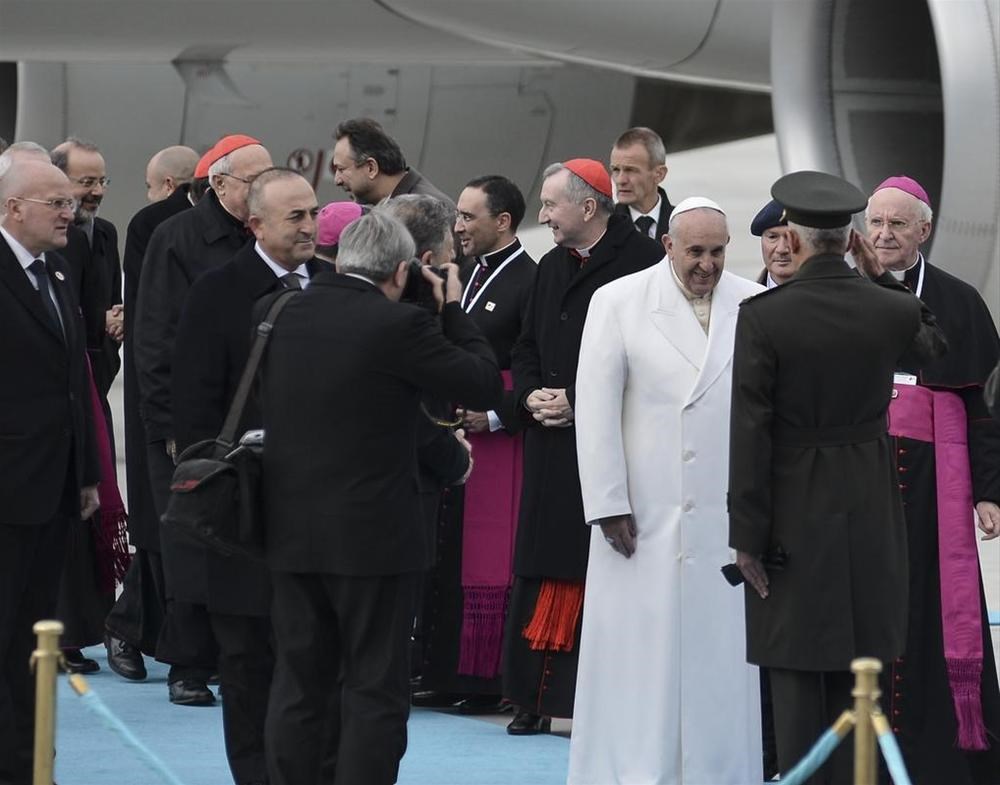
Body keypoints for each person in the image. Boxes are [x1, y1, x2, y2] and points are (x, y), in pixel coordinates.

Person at [259, 210, 502, 785]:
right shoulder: (398, 326)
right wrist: (450, 308)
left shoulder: (278, 312)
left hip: (290, 531)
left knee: (298, 682)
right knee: (374, 686)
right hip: (375, 540)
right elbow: (483, 381)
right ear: (400, 271)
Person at [728, 170, 948, 785]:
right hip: (870, 498)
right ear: (852, 238)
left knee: (798, 666)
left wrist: (746, 536)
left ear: (794, 238)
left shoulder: (765, 315)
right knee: (864, 661)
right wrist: (880, 278)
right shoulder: (889, 308)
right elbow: (934, 346)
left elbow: (751, 431)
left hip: (793, 505)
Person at [571, 197, 763, 784]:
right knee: (639, 661)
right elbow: (596, 410)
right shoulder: (618, 301)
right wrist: (608, 503)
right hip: (642, 515)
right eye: (696, 251)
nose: (708, 264)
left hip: (725, 515)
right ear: (668, 246)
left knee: (719, 659)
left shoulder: (754, 303)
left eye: (718, 251)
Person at [173, 167, 331, 784]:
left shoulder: (332, 286)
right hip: (241, 509)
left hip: (318, 512)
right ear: (256, 224)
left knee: (312, 657)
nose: (310, 226)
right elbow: (194, 404)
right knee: (245, 659)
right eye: (296, 217)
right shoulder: (216, 292)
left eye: (314, 212)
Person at [504, 159, 663, 734]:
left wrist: (578, 399)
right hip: (549, 440)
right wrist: (529, 396)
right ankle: (529, 695)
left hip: (606, 442)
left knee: (590, 566)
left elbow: (652, 358)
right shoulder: (550, 265)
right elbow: (525, 345)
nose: (543, 215)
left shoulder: (643, 262)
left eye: (551, 205)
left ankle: (581, 698)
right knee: (540, 563)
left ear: (588, 206)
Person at [864, 175, 1000, 784]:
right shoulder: (844, 294)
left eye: (897, 224)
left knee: (931, 607)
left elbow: (984, 408)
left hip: (934, 488)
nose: (884, 234)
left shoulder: (960, 300)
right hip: (860, 482)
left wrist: (991, 490)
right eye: (875, 222)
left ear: (924, 230)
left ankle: (940, 754)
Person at [134, 133, 273, 706]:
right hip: (193, 420)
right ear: (218, 183)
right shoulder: (178, 238)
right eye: (254, 180)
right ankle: (186, 665)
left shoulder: (262, 235)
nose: (264, 189)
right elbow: (155, 336)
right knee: (190, 541)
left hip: (255, 418)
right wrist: (169, 425)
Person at [415, 175, 537, 714]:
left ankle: (484, 678)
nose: (458, 226)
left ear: (503, 222)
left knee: (485, 561)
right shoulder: (458, 273)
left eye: (468, 216)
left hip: (497, 439)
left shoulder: (530, 279)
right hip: (449, 432)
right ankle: (441, 669)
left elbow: (533, 365)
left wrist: (494, 414)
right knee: (446, 553)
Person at [0, 156, 100, 785]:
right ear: (14, 209)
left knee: (34, 638)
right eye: (57, 203)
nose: (71, 212)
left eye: (71, 202)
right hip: (7, 487)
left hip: (53, 487)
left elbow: (72, 384)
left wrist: (85, 472)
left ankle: (29, 762)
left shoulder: (58, 271)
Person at [103, 144, 201, 682]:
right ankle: (134, 625)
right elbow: (151, 317)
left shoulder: (159, 223)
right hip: (162, 398)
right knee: (166, 524)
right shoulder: (159, 226)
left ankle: (138, 627)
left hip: (183, 397)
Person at [50, 137, 127, 674]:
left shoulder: (106, 233)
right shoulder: (59, 241)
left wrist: (112, 325)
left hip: (95, 380)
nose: (95, 191)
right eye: (86, 181)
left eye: (101, 181)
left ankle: (82, 627)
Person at [332, 117, 452, 206]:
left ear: (371, 168)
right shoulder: (402, 207)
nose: (337, 180)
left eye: (341, 169)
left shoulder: (428, 211)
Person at [610, 126, 675, 240]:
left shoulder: (684, 224)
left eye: (630, 170)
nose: (620, 180)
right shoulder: (602, 227)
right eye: (616, 170)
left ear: (659, 174)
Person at [751, 198, 794, 288]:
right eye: (772, 237)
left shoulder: (826, 295)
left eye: (791, 237)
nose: (781, 249)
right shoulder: (742, 294)